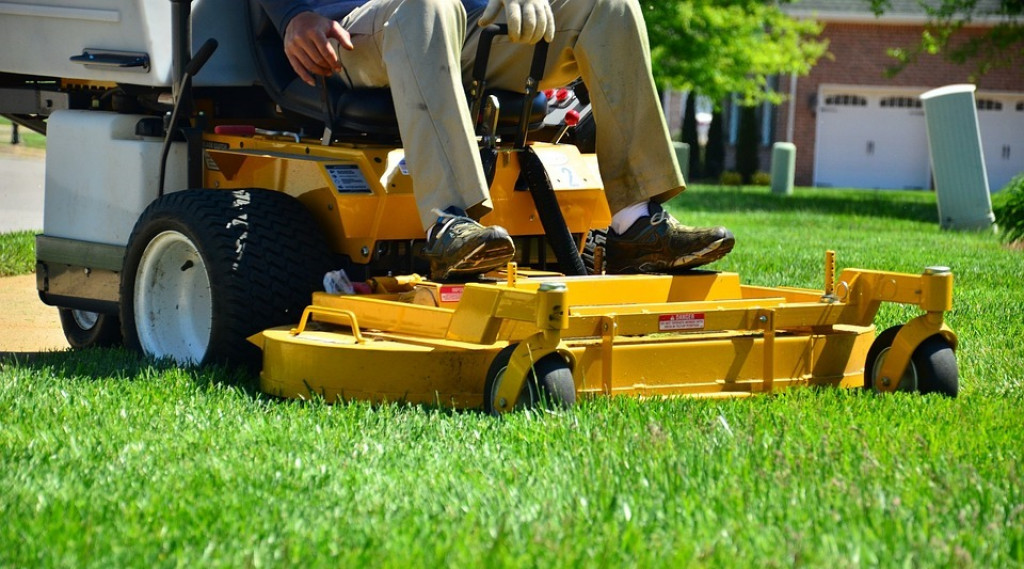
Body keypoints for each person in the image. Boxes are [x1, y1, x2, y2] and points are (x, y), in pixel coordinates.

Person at [258, 0, 734, 280]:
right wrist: (292, 15)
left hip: (461, 24)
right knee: (427, 7)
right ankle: (450, 224)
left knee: (608, 5)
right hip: (349, 32)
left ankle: (636, 226)